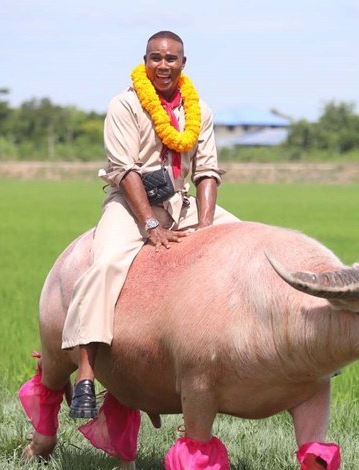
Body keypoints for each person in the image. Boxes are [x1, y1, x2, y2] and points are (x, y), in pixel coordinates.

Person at [62, 30, 238, 418]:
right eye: (155, 58)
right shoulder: (124, 105)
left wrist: (207, 228)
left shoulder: (199, 111)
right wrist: (149, 225)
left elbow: (206, 170)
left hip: (181, 201)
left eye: (171, 59)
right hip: (130, 202)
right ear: (144, 61)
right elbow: (123, 169)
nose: (163, 65)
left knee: (243, 240)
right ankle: (87, 375)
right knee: (105, 265)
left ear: (183, 64)